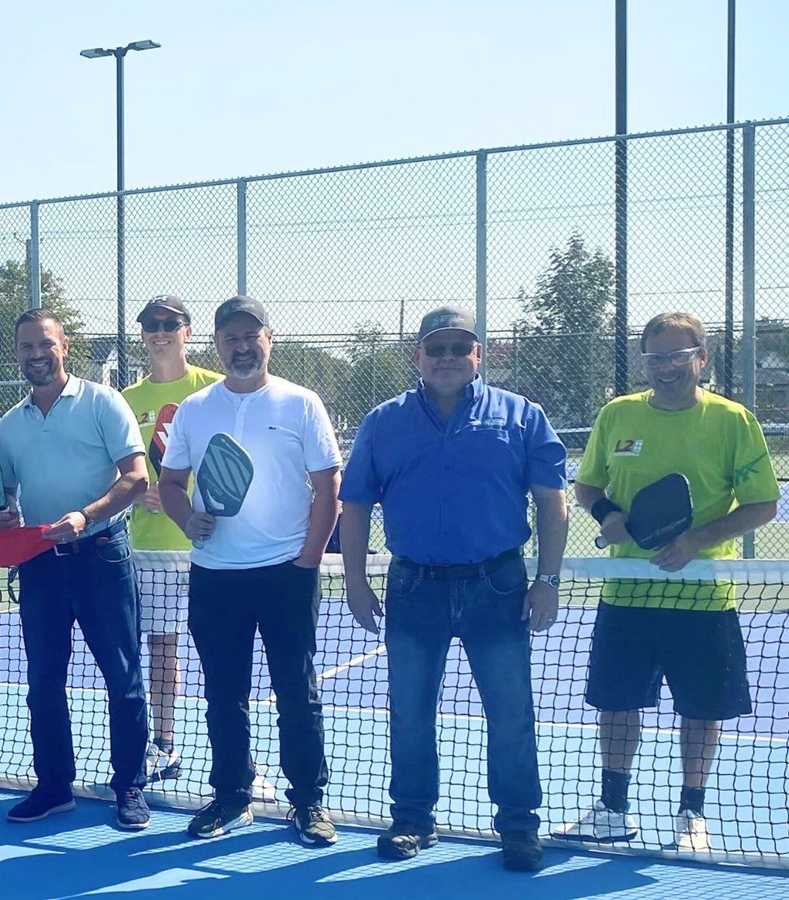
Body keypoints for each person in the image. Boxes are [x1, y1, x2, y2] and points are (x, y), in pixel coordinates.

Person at [340, 306, 565, 872]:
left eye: (458, 348)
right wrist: (356, 580)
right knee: (410, 711)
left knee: (511, 713)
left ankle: (518, 826)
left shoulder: (521, 415)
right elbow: (356, 504)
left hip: (499, 585)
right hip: (414, 587)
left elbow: (552, 501)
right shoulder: (381, 423)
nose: (446, 358)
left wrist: (548, 580)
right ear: (417, 356)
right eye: (434, 348)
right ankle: (413, 819)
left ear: (477, 355)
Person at [556, 312, 777, 854]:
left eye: (678, 356)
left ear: (702, 358)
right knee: (617, 703)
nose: (666, 367)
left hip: (702, 596)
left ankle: (691, 815)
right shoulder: (618, 414)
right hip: (626, 592)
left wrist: (696, 541)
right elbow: (587, 486)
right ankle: (611, 809)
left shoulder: (732, 420)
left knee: (702, 709)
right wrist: (606, 513)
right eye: (655, 357)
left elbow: (763, 504)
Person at [159, 296, 341, 846]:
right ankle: (232, 795)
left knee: (296, 690)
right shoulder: (194, 409)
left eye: (251, 335)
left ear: (269, 338)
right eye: (231, 338)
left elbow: (329, 487)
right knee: (223, 693)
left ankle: (308, 801)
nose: (242, 346)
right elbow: (170, 484)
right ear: (216, 344)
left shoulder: (301, 404)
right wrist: (187, 517)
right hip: (215, 576)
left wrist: (307, 559)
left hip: (287, 572)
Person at [0, 308, 152, 831]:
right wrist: (5, 513)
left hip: (103, 559)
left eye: (45, 344)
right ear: (16, 354)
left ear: (64, 347)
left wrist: (85, 517)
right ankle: (54, 786)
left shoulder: (104, 402)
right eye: (25, 347)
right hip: (40, 568)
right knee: (43, 682)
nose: (36, 355)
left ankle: (128, 786)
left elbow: (135, 478)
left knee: (123, 679)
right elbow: (6, 490)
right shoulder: (10, 425)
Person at [119, 294, 222, 784]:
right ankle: (164, 743)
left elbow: (233, 462)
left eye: (169, 323)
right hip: (152, 550)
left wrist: (188, 500)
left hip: (216, 547)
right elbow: (115, 473)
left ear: (188, 330)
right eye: (150, 325)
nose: (159, 332)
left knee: (224, 648)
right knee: (161, 648)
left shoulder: (216, 389)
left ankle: (233, 749)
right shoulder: (126, 399)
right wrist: (140, 495)